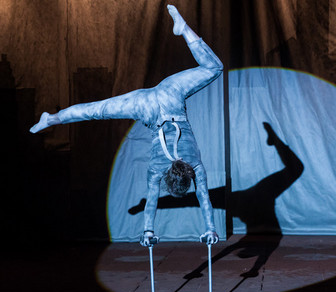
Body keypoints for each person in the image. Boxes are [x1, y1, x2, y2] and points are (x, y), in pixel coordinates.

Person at [30, 5, 221, 246]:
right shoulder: (157, 169)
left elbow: (202, 196)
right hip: (147, 108)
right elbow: (156, 199)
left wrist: (209, 228)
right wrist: (149, 232)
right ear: (168, 178)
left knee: (214, 68)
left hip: (170, 95)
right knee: (97, 111)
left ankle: (183, 29)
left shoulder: (194, 165)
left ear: (187, 174)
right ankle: (51, 119)